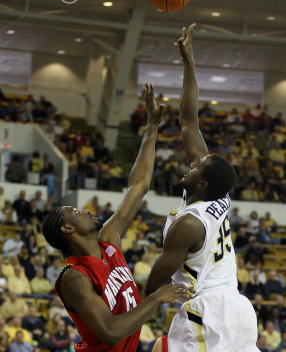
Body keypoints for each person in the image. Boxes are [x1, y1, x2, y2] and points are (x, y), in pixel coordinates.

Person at [42, 84, 188, 351]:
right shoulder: (74, 277)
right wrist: (155, 298)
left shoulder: (108, 240)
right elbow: (110, 332)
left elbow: (139, 185)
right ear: (66, 228)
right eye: (75, 212)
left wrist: (151, 128)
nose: (84, 210)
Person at [145, 24, 259, 352]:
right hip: (237, 308)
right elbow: (188, 123)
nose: (190, 163)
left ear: (203, 182)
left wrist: (137, 308)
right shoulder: (216, 195)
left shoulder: (188, 223)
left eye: (195, 166)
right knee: (159, 347)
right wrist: (189, 63)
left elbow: (157, 279)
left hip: (207, 312)